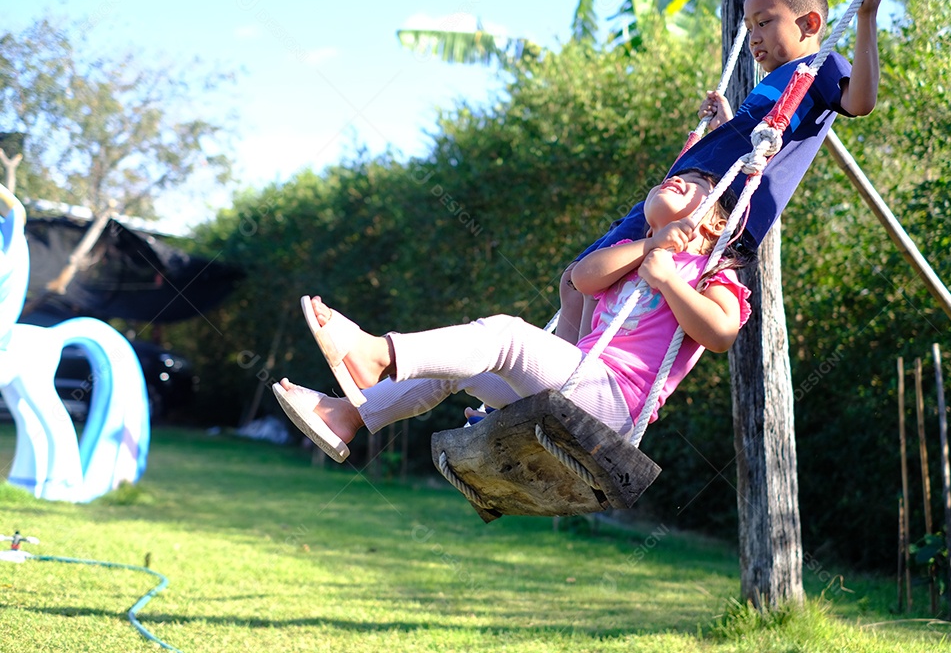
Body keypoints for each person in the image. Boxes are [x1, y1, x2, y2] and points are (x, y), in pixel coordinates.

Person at [274, 170, 752, 463]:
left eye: (696, 185)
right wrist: (649, 247)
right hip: (579, 386)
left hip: (615, 405)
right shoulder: (633, 255)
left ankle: (378, 353)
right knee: (458, 365)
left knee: (506, 335)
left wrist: (669, 280)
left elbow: (722, 334)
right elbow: (582, 278)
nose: (677, 179)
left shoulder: (710, 272)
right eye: (672, 177)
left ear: (716, 222)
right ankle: (347, 415)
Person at [555, 0, 888, 343]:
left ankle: (578, 370)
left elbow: (860, 101)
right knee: (575, 280)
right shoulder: (774, 82)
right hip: (684, 187)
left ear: (809, 24)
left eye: (764, 23)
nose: (754, 38)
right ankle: (565, 371)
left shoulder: (820, 66)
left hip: (711, 202)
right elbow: (754, 140)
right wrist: (726, 124)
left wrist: (867, 17)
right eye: (749, 27)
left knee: (589, 283)